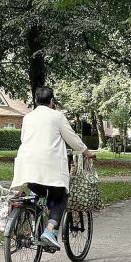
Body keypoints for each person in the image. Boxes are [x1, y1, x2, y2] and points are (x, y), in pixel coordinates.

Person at [11, 86, 96, 249]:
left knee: (38, 191)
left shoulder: (27, 118)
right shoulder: (57, 116)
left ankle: (34, 223)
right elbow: (71, 138)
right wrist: (86, 152)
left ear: (36, 101)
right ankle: (49, 231)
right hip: (50, 165)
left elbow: (25, 138)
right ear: (52, 101)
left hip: (26, 165)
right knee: (60, 197)